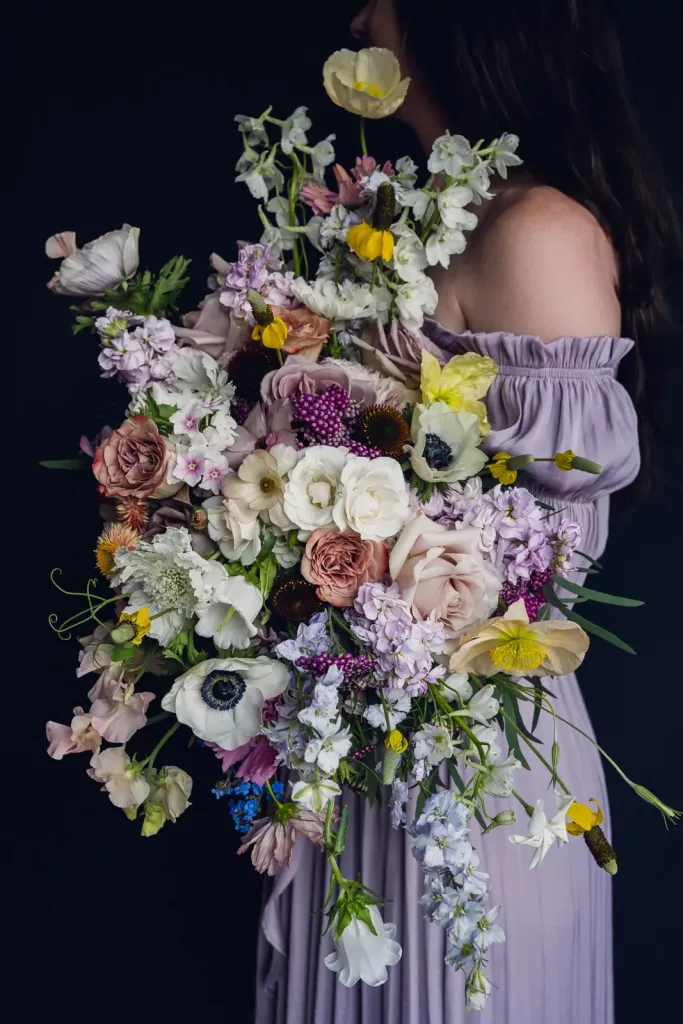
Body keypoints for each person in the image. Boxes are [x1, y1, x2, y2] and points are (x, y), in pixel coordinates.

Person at [255, 2, 680, 1021]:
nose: (359, 14)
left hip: (481, 759)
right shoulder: (382, 215)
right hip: (349, 746)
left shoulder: (538, 230)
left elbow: (555, 540)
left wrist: (418, 411)